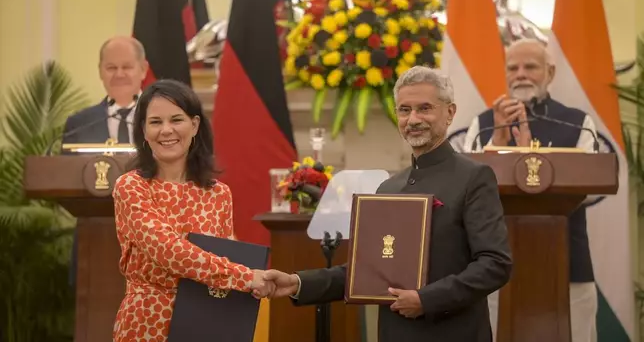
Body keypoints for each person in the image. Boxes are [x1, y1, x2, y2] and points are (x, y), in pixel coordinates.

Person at [258, 66, 513, 341]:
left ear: (450, 113)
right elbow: (365, 270)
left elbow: (494, 263)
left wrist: (426, 300)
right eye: (404, 110)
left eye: (424, 108)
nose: (413, 119)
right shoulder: (389, 187)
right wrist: (297, 283)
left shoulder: (474, 177)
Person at [111, 79, 270, 341]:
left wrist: (256, 278)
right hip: (146, 324)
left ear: (194, 125)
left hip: (205, 321)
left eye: (176, 120)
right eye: (155, 122)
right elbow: (168, 250)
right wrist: (246, 276)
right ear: (143, 130)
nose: (166, 130)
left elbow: (226, 253)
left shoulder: (219, 193)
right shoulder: (131, 187)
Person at [462, 38, 599, 342]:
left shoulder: (578, 123)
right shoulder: (484, 124)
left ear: (550, 73)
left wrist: (531, 162)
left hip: (567, 263)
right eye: (513, 68)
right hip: (496, 262)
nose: (520, 74)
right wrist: (498, 142)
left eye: (530, 67)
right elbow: (467, 189)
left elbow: (589, 188)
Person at [62, 36, 147, 289]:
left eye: (127, 66)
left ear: (143, 69)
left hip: (151, 244)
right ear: (100, 71)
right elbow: (63, 176)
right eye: (111, 67)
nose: (119, 74)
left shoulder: (164, 119)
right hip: (93, 242)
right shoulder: (79, 123)